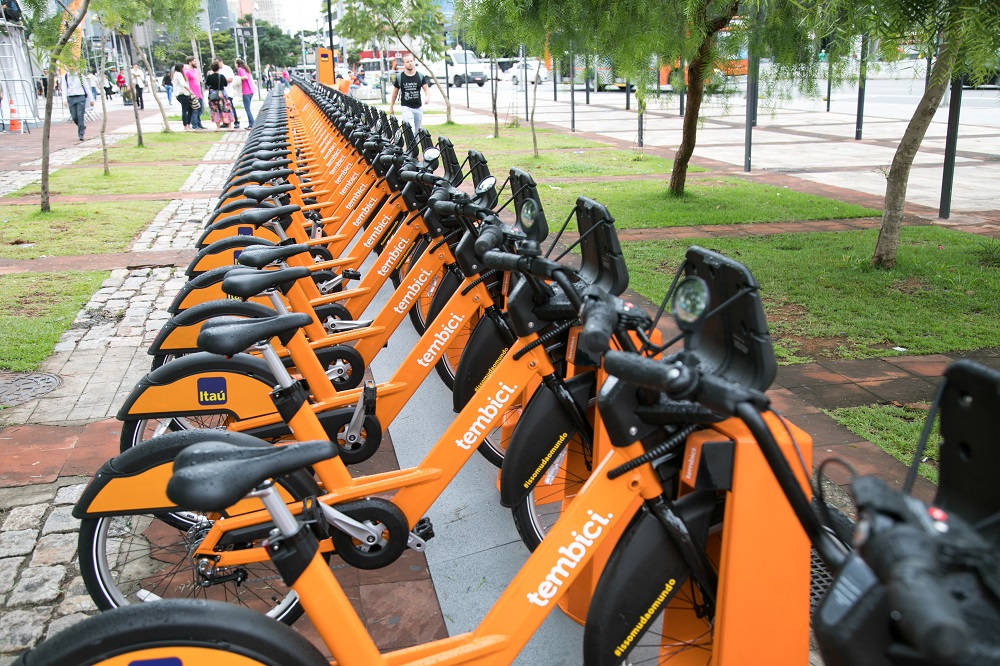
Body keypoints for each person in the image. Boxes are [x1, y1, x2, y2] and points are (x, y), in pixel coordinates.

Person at [388, 53, 430, 133]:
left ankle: (414, 145)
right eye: (407, 62)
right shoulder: (400, 77)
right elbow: (395, 93)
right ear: (403, 64)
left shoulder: (420, 76)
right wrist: (391, 107)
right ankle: (411, 145)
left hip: (418, 107)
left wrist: (427, 97)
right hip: (406, 107)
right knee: (410, 129)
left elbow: (426, 89)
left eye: (411, 61)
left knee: (417, 131)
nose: (410, 63)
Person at [61, 69, 95, 142]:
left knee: (80, 115)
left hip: (80, 97)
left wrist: (91, 99)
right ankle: (82, 126)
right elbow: (64, 88)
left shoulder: (80, 76)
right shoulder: (65, 77)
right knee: (74, 116)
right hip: (71, 97)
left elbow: (86, 87)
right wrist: (64, 100)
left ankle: (81, 134)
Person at [204, 61, 234, 131]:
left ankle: (218, 127)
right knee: (226, 109)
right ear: (218, 68)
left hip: (213, 94)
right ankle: (229, 126)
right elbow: (225, 84)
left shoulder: (209, 77)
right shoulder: (222, 76)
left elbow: (208, 85)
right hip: (222, 93)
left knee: (215, 110)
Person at [183, 56, 205, 129]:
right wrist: (190, 92)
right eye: (194, 61)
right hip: (193, 94)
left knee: (200, 110)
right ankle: (194, 125)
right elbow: (186, 82)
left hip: (199, 93)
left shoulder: (196, 71)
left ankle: (199, 124)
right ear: (190, 62)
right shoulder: (187, 72)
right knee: (194, 110)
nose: (196, 63)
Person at [216, 58, 238, 128]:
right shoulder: (218, 70)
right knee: (222, 107)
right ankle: (225, 122)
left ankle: (236, 121)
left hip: (228, 91)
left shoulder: (227, 69)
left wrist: (221, 80)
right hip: (220, 92)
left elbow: (230, 79)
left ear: (221, 61)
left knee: (230, 107)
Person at [235, 58, 255, 129]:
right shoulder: (246, 69)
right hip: (251, 91)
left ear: (237, 64)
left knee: (247, 109)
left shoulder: (240, 69)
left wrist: (237, 79)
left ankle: (252, 123)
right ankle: (251, 123)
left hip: (246, 91)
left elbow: (245, 77)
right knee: (248, 108)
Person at [172, 64, 192, 128]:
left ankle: (188, 124)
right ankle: (186, 125)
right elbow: (183, 84)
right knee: (185, 110)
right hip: (183, 94)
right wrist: (190, 91)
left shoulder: (175, 74)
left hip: (181, 94)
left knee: (189, 109)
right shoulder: (179, 74)